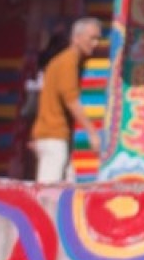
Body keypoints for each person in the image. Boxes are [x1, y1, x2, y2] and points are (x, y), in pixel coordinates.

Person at [29, 16, 101, 184]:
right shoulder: (68, 61)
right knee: (48, 190)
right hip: (53, 136)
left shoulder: (66, 61)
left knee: (66, 188)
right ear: (76, 38)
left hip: (56, 136)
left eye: (98, 39)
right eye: (92, 38)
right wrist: (92, 132)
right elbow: (71, 99)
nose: (95, 43)